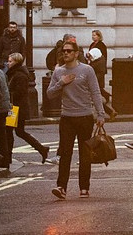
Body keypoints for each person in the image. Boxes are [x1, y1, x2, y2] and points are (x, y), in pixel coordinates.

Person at [47, 40, 105, 199]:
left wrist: (100, 114)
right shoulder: (59, 72)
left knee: (85, 154)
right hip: (67, 118)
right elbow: (50, 93)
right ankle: (61, 187)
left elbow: (95, 92)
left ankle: (84, 188)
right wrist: (61, 82)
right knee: (65, 153)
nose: (65, 53)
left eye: (69, 51)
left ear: (76, 53)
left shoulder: (87, 70)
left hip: (85, 117)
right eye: (63, 51)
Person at [5, 53, 50, 163]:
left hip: (16, 108)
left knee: (10, 132)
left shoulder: (19, 75)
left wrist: (9, 95)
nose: (8, 63)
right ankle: (42, 149)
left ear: (16, 62)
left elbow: (18, 93)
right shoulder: (14, 73)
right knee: (17, 132)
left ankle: (8, 157)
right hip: (16, 108)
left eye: (10, 61)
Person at [86, 47, 117, 119]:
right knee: (97, 100)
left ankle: (110, 112)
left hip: (96, 83)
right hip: (96, 83)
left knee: (97, 100)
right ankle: (110, 112)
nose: (90, 58)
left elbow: (98, 74)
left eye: (91, 56)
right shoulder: (98, 61)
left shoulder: (98, 63)